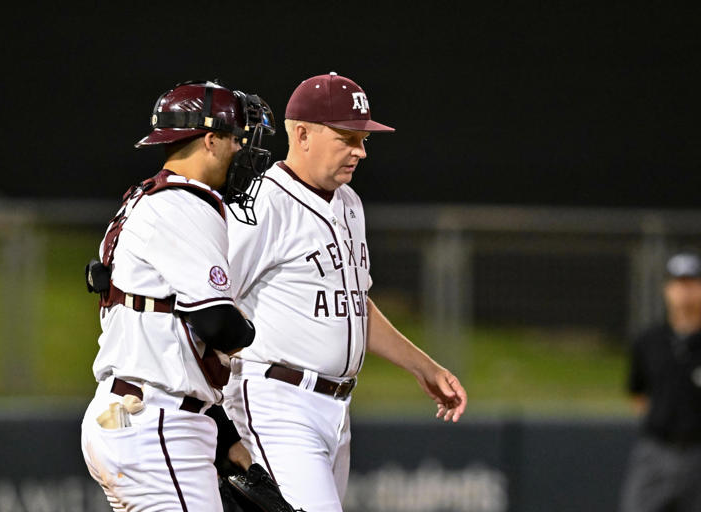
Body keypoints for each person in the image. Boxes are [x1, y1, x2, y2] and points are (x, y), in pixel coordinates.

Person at [222, 72, 467, 511]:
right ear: (302, 134)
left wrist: (423, 367)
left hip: (336, 407)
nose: (360, 151)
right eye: (347, 138)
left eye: (363, 139)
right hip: (277, 399)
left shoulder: (350, 203)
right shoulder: (261, 205)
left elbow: (355, 304)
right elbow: (211, 303)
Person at [80, 79, 274, 511]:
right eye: (236, 139)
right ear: (210, 139)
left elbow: (174, 335)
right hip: (157, 423)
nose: (243, 152)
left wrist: (226, 440)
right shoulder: (185, 204)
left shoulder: (145, 199)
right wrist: (250, 330)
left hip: (134, 412)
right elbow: (218, 324)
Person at [619, 252, 701, 512]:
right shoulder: (649, 341)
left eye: (691, 283)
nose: (684, 292)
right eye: (678, 283)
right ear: (667, 289)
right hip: (656, 450)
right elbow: (637, 393)